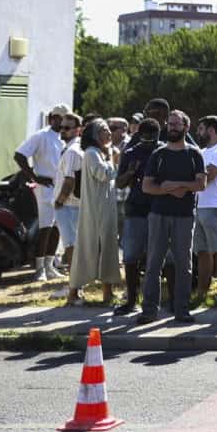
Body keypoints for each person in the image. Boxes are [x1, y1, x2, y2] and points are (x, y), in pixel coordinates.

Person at [140, 110, 206, 324]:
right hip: (158, 214)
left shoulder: (194, 154)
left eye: (177, 124)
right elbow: (147, 186)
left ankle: (182, 310)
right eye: (170, 124)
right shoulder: (158, 155)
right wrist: (166, 189)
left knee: (184, 264)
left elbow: (201, 184)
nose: (172, 127)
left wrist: (179, 186)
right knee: (153, 263)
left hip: (184, 216)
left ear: (186, 127)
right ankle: (149, 310)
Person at [67, 119, 122, 306]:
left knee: (107, 248)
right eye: (105, 130)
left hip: (104, 209)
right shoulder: (92, 153)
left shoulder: (99, 153)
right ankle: (73, 293)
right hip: (96, 211)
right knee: (89, 249)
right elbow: (104, 174)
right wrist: (113, 159)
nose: (109, 133)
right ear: (95, 135)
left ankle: (107, 294)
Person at [14, 104, 69, 281]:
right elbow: (19, 155)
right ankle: (39, 269)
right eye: (60, 118)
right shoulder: (41, 136)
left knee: (57, 228)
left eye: (65, 118)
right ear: (53, 118)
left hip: (60, 187)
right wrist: (35, 177)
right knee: (46, 228)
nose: (63, 122)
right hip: (45, 188)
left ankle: (49, 266)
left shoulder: (63, 138)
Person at [114, 119, 161, 316]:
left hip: (159, 210)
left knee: (157, 258)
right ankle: (132, 300)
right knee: (131, 257)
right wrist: (131, 172)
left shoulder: (164, 151)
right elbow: (119, 183)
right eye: (146, 137)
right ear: (139, 135)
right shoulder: (131, 153)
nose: (149, 142)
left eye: (153, 137)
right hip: (136, 210)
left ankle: (156, 302)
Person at [191, 116, 217, 302]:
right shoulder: (201, 152)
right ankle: (202, 291)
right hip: (200, 206)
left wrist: (191, 179)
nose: (198, 132)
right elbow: (198, 177)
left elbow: (209, 176)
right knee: (202, 251)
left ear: (211, 130)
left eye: (201, 129)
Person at [54, 113, 84, 276]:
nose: (62, 130)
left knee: (71, 246)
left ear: (78, 130)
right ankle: (76, 283)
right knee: (73, 246)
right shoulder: (73, 148)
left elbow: (70, 180)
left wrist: (59, 201)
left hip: (68, 205)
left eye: (67, 128)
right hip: (73, 205)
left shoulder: (72, 151)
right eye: (61, 127)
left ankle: (75, 285)